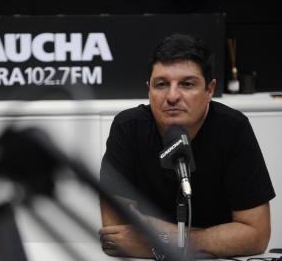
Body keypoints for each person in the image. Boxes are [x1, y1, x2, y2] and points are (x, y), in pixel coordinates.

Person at [98, 33, 275, 258]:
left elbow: (256, 235)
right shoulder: (128, 127)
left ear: (209, 90)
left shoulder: (233, 128)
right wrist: (216, 238)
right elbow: (116, 234)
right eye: (161, 84)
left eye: (187, 84)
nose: (172, 96)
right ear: (148, 89)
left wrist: (163, 239)